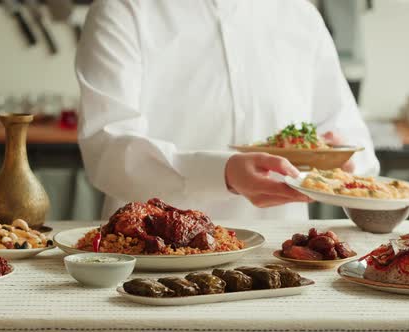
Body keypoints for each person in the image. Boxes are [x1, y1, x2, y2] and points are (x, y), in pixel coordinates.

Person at [75, 0, 379, 220]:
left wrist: (344, 163)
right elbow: (107, 150)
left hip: (278, 261)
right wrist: (222, 175)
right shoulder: (121, 9)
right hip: (152, 255)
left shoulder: (301, 15)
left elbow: (352, 141)